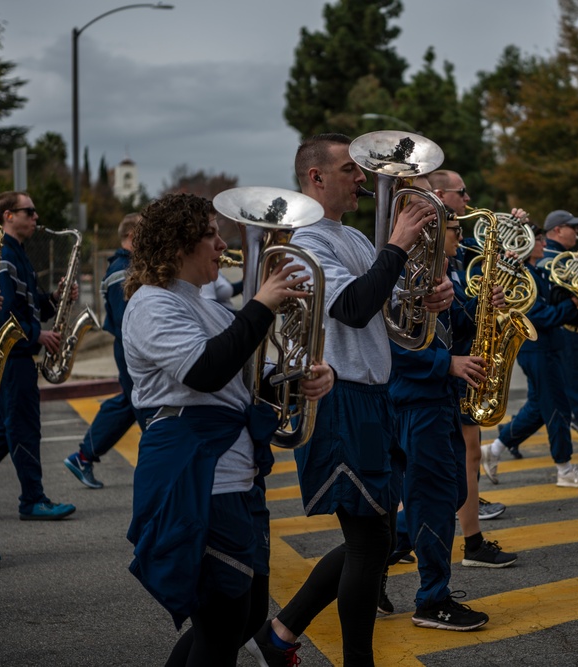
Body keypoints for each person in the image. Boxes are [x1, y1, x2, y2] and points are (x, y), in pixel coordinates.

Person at [252, 133, 453, 667]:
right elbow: (355, 308)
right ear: (316, 178)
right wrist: (401, 242)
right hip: (340, 398)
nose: (363, 178)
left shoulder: (355, 240)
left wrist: (428, 295)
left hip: (375, 395)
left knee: (380, 537)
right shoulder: (306, 242)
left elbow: (387, 311)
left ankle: (282, 630)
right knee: (369, 543)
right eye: (350, 170)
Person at [122, 192, 332, 666]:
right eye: (211, 235)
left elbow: (246, 384)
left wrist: (307, 378)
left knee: (245, 612)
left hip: (232, 473)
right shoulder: (152, 304)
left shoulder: (209, 307)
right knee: (222, 618)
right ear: (179, 246)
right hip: (197, 473)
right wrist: (260, 305)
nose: (222, 245)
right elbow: (205, 371)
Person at [385, 191, 505, 630]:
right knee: (435, 500)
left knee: (449, 493)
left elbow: (456, 328)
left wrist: (483, 308)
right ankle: (431, 600)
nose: (459, 235)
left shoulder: (439, 271)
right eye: (453, 228)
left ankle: (373, 565)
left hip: (436, 400)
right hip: (416, 402)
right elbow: (390, 347)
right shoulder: (397, 274)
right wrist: (447, 364)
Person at [0, 191, 77, 521]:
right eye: (30, 211)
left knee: (2, 430)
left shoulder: (18, 254)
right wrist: (37, 334)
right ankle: (32, 499)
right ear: (8, 216)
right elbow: (3, 313)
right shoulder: (1, 255)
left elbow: (32, 304)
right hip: (10, 355)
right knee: (23, 426)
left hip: (15, 355)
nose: (36, 217)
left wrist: (56, 297)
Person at [428, 169, 514, 568]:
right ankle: (388, 552)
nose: (468, 198)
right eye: (462, 193)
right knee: (440, 480)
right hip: (441, 376)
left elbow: (462, 315)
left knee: (463, 465)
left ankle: (472, 541)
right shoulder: (426, 261)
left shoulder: (456, 253)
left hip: (462, 369)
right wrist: (448, 362)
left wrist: (490, 307)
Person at [482, 225, 578, 488]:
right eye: (539, 240)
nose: (542, 244)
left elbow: (552, 305)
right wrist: (574, 304)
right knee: (557, 408)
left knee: (539, 408)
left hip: (548, 347)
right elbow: (542, 315)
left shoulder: (539, 271)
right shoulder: (522, 276)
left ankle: (494, 449)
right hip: (537, 348)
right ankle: (564, 468)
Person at [65, 213, 142, 489]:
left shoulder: (129, 266)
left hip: (130, 349)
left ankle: (84, 455)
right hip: (130, 348)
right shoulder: (122, 270)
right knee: (142, 405)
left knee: (129, 404)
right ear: (132, 236)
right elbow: (127, 323)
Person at [540, 209, 578, 443]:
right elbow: (565, 297)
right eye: (572, 227)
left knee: (548, 400)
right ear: (558, 230)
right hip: (571, 332)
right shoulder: (552, 260)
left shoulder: (565, 257)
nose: (577, 232)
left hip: (577, 331)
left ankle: (500, 444)